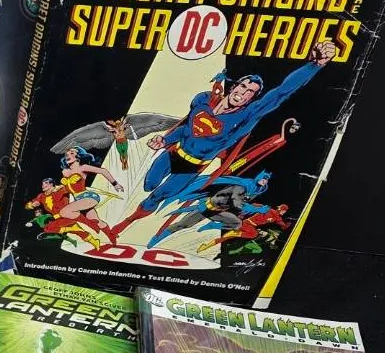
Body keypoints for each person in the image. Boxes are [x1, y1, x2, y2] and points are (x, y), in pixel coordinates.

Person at [106, 40, 335, 239]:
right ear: (234, 86)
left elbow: (281, 92)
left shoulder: (246, 116)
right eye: (243, 86)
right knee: (149, 184)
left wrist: (313, 65)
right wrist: (164, 141)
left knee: (156, 197)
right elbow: (186, 127)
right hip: (173, 154)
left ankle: (122, 226)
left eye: (250, 92)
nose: (243, 93)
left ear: (252, 99)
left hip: (191, 166)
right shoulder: (203, 100)